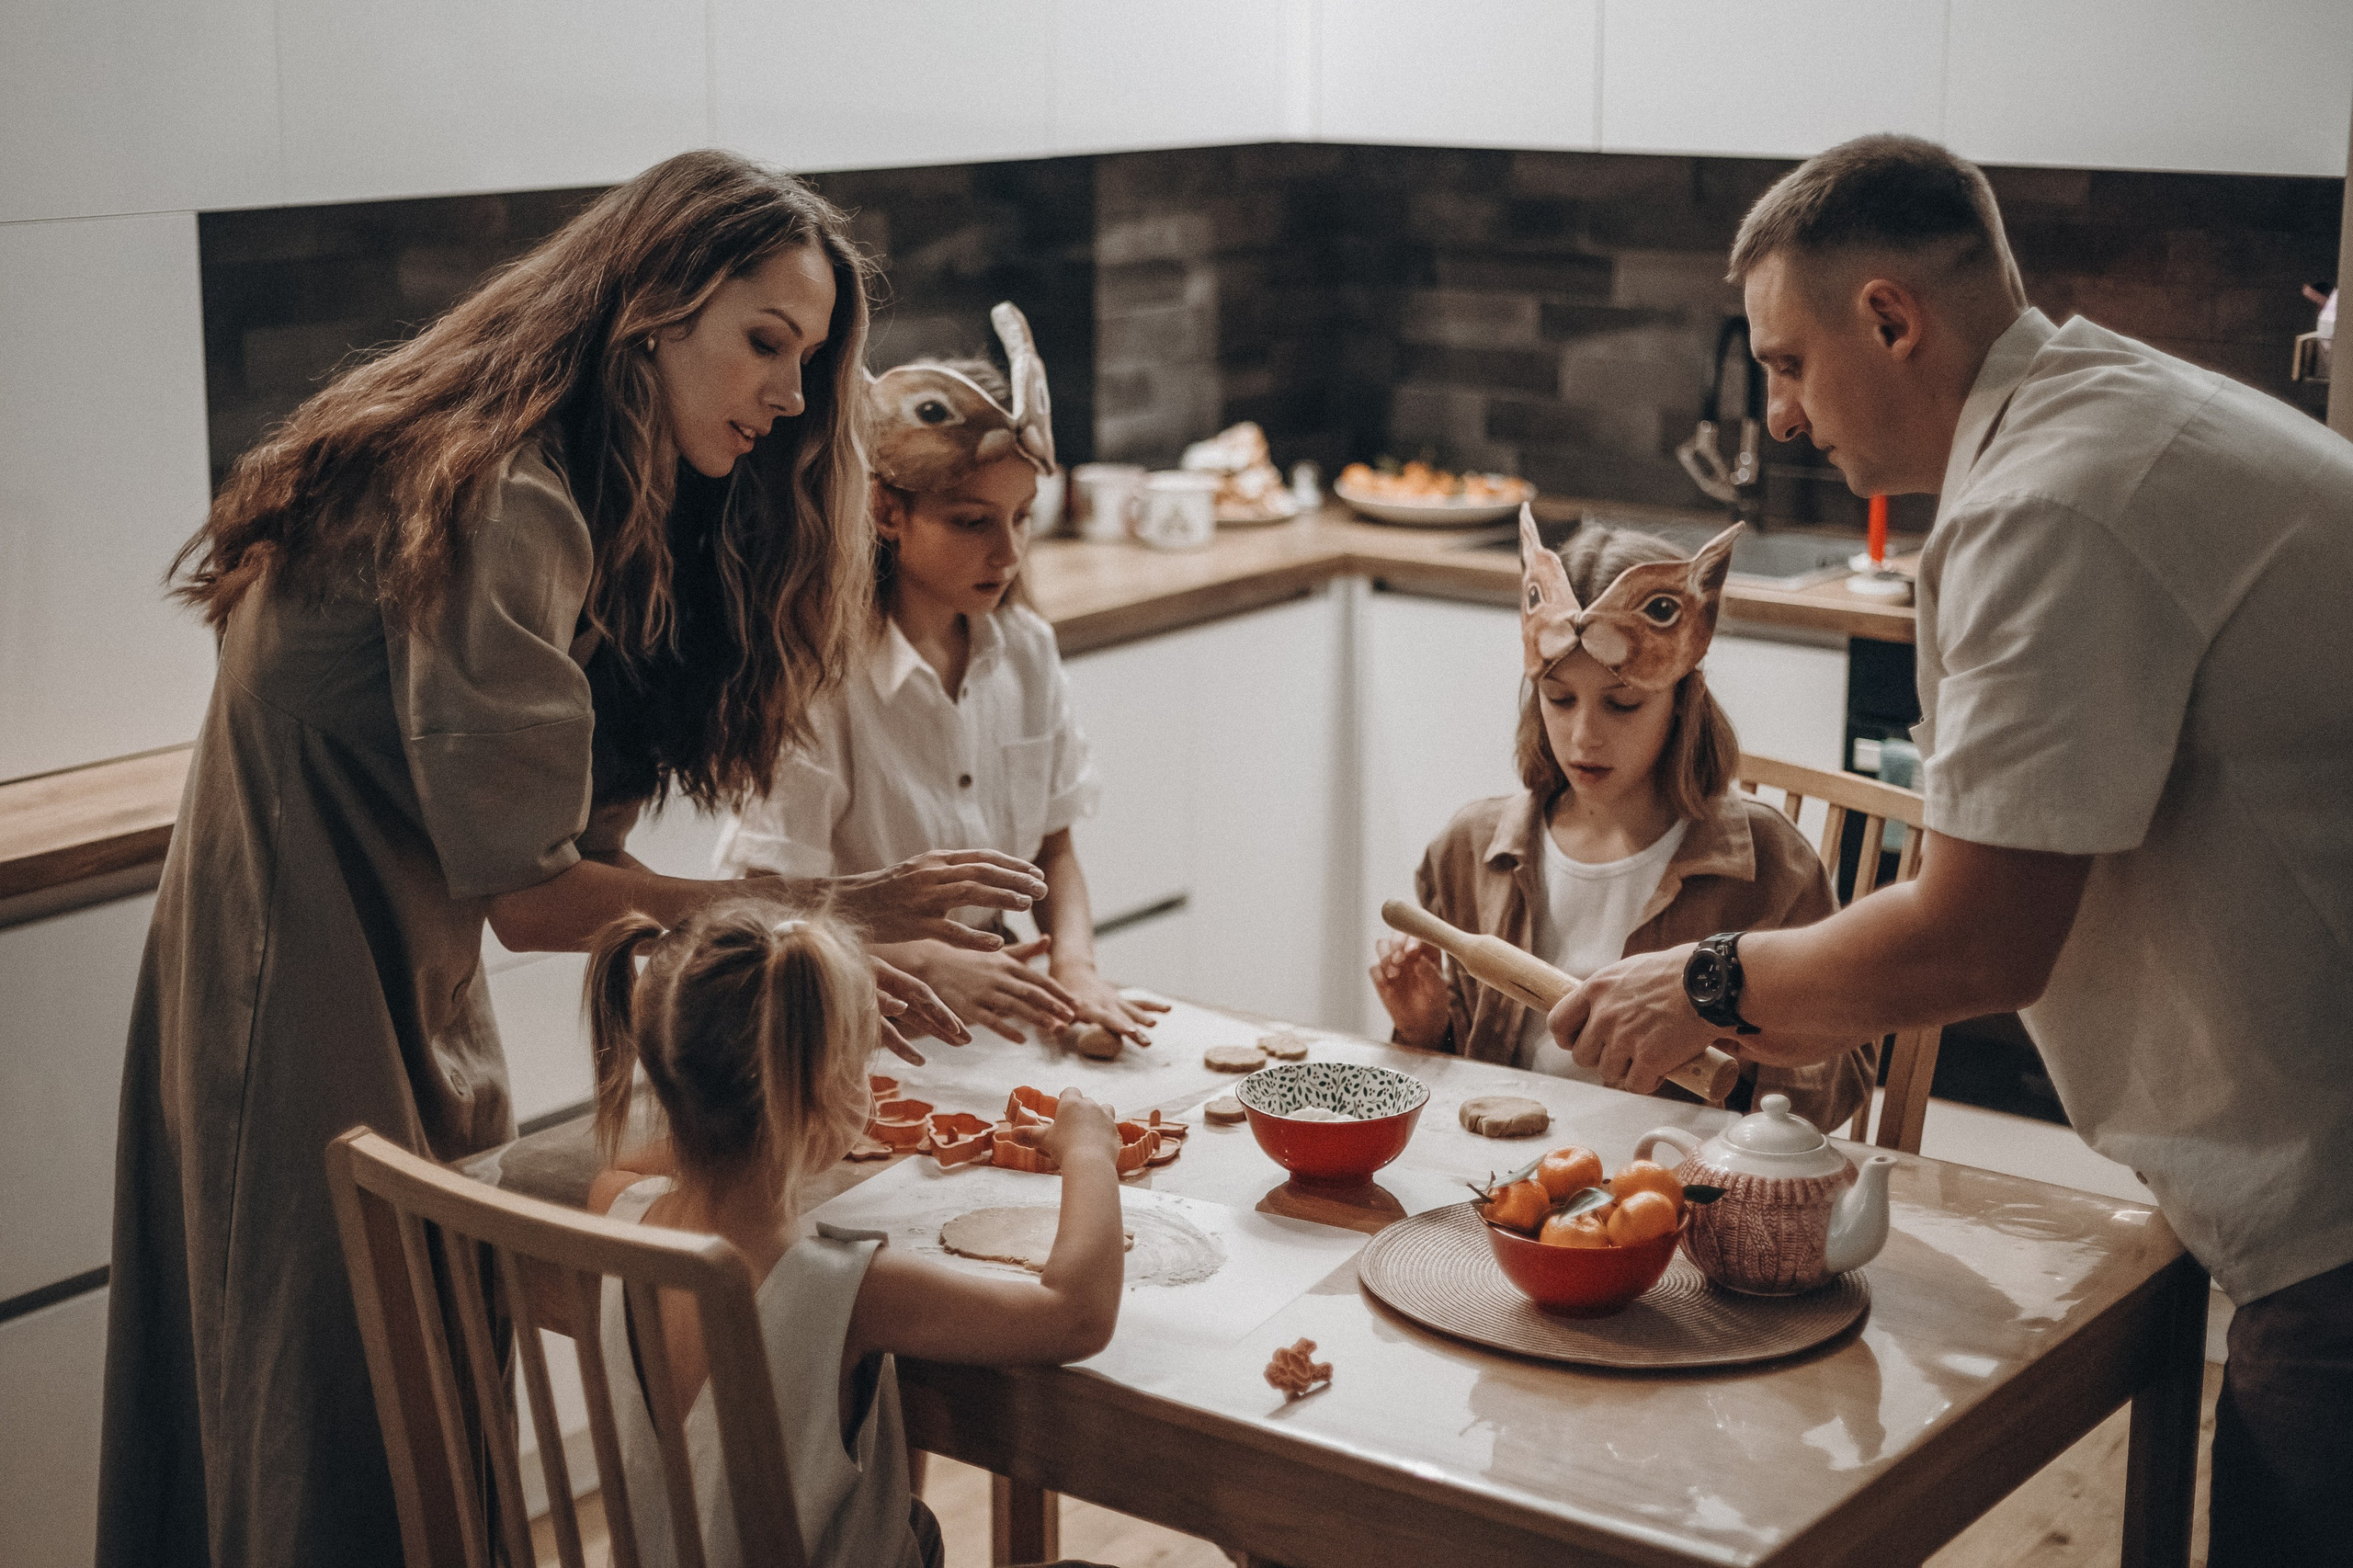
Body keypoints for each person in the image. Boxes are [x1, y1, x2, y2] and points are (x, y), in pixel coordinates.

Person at [100, 152, 1051, 1568]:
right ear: (656, 305)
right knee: (332, 1411)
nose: (794, 397)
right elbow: (540, 895)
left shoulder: (607, 487)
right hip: (284, 975)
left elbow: (572, 854)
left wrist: (808, 945)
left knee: (393, 1386)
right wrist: (830, 909)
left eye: (810, 359)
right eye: (766, 343)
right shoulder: (509, 492)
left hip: (402, 971)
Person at [1547, 134, 2353, 1564]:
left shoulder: (2055, 500)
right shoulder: (2103, 416)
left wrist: (1704, 984)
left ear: (1891, 318)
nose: (1782, 418)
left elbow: (1977, 936)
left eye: (1787, 363)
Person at [584, 899, 1126, 1568]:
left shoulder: (614, 1209)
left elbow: (632, 1162)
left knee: (913, 1526)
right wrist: (1090, 1151)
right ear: (820, 1098)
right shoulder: (847, 1286)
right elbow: (1076, 1316)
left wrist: (781, 1120)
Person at [716, 304, 1165, 1049]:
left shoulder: (1025, 652)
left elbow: (1054, 852)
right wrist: (917, 960)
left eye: (1021, 518)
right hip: (847, 1020)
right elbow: (764, 906)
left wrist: (1076, 964)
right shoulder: (821, 679)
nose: (1007, 552)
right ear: (887, 511)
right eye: (971, 521)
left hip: (992, 1001)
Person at [1370, 515, 1873, 1131]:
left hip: (1673, 1191)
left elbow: (1840, 1085)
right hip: (1504, 1190)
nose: (1584, 737)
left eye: (1622, 702)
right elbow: (1458, 1091)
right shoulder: (1469, 850)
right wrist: (1425, 1028)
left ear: (1682, 698)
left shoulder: (1768, 863)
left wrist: (1726, 1015)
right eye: (1560, 699)